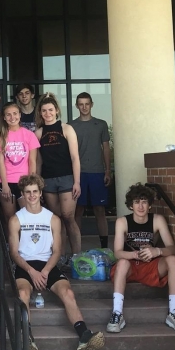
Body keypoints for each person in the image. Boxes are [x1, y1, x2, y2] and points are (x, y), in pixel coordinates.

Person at [9, 174, 105, 350]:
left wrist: (44, 271)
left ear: (40, 193)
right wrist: (32, 272)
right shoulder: (16, 219)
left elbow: (58, 251)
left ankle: (83, 335)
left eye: (35, 192)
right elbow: (14, 252)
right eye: (28, 192)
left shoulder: (52, 218)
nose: (31, 196)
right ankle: (26, 337)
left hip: (48, 264)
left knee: (67, 291)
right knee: (22, 293)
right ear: (22, 193)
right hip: (25, 265)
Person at [109, 183, 175, 334]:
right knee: (122, 262)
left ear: (150, 205)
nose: (141, 206)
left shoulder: (157, 220)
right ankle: (117, 313)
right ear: (131, 205)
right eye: (137, 202)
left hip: (150, 266)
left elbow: (172, 249)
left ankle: (173, 312)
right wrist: (134, 254)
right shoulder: (122, 222)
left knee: (172, 260)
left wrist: (157, 251)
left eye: (144, 202)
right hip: (129, 266)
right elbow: (118, 252)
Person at [35, 93, 83, 261]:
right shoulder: (38, 133)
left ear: (56, 111)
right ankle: (60, 256)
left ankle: (77, 255)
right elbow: (38, 162)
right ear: (40, 113)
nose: (47, 113)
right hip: (48, 181)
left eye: (50, 110)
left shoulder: (67, 129)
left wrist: (77, 182)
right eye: (44, 110)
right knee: (56, 220)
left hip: (67, 179)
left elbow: (75, 158)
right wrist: (37, 185)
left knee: (68, 216)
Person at [70, 92, 112, 249]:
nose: (84, 107)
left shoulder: (101, 124)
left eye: (87, 104)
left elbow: (106, 148)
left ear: (92, 104)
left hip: (97, 172)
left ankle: (105, 247)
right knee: (77, 211)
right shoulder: (71, 126)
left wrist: (108, 170)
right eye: (81, 104)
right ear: (77, 106)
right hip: (78, 173)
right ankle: (77, 248)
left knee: (99, 209)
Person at [0, 102, 40, 221]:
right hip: (5, 181)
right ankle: (12, 240)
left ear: (20, 114)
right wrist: (4, 185)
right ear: (4, 117)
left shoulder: (29, 135)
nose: (12, 117)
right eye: (8, 115)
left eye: (15, 113)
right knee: (10, 218)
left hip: (24, 182)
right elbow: (0, 162)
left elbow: (32, 162)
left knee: (28, 217)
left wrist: (31, 184)